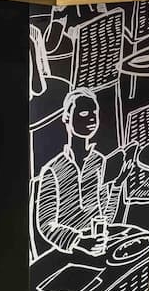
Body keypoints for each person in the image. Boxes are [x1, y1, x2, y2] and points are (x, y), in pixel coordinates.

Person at [34, 87, 122, 254]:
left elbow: (105, 216)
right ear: (67, 117)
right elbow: (46, 225)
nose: (91, 118)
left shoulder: (98, 161)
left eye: (94, 113)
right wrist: (79, 241)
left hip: (97, 246)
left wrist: (117, 184)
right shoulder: (53, 170)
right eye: (83, 113)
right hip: (68, 252)